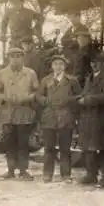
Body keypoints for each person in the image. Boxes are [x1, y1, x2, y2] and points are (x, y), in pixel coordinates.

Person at [0, 47, 40, 180]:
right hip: (8, 113)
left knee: (23, 143)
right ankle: (11, 170)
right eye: (12, 56)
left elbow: (37, 91)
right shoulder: (2, 73)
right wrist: (3, 98)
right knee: (10, 143)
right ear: (8, 58)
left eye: (18, 56)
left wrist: (27, 98)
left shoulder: (30, 73)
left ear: (22, 58)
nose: (15, 59)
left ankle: (23, 171)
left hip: (25, 112)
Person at [36, 55, 81, 183]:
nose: (58, 67)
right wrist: (46, 101)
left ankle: (66, 174)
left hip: (66, 117)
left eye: (61, 64)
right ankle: (47, 174)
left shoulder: (72, 80)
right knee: (49, 147)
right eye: (55, 64)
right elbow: (38, 95)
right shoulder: (46, 80)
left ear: (65, 66)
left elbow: (79, 96)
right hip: (49, 117)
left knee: (65, 148)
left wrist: (68, 101)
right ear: (52, 66)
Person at [77, 51, 104, 187]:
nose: (94, 65)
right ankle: (91, 174)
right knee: (88, 148)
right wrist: (79, 98)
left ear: (103, 63)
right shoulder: (89, 78)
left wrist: (88, 99)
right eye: (92, 62)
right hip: (87, 118)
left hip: (101, 118)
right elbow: (85, 93)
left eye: (97, 62)